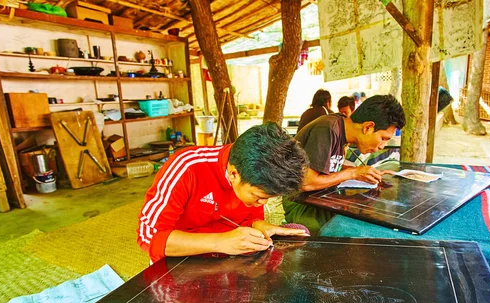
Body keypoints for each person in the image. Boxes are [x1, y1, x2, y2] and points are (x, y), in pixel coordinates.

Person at [137, 124, 309, 263]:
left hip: (227, 260)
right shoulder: (187, 168)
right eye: (259, 197)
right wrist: (221, 242)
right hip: (179, 263)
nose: (262, 204)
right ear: (234, 174)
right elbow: (148, 237)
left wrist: (258, 225)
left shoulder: (254, 175)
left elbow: (244, 219)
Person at [283, 94, 406, 234]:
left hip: (320, 198)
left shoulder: (341, 127)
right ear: (368, 127)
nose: (382, 146)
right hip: (300, 204)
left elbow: (328, 165)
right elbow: (306, 183)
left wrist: (360, 172)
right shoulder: (327, 129)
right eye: (383, 138)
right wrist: (352, 173)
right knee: (354, 230)